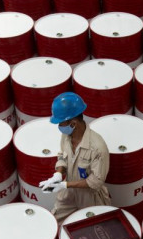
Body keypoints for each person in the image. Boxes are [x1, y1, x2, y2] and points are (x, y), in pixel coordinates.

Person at [39, 92, 111, 223]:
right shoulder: (67, 136)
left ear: (73, 123)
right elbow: (62, 155)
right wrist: (58, 174)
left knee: (91, 230)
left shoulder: (97, 147)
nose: (59, 126)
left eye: (61, 123)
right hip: (69, 194)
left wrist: (65, 184)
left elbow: (96, 181)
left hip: (90, 198)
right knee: (54, 223)